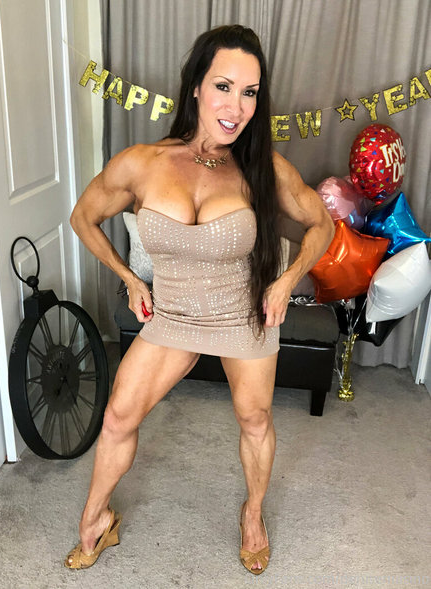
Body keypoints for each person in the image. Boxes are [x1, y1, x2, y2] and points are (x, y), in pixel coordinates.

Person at [65, 24, 334, 575]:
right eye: (223, 86)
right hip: (173, 314)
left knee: (254, 419)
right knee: (118, 416)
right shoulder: (143, 162)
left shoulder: (262, 168)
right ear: (195, 87)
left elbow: (322, 225)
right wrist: (130, 278)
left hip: (243, 317)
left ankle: (253, 515)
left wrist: (286, 281)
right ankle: (95, 520)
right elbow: (83, 217)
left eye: (250, 92)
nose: (236, 107)